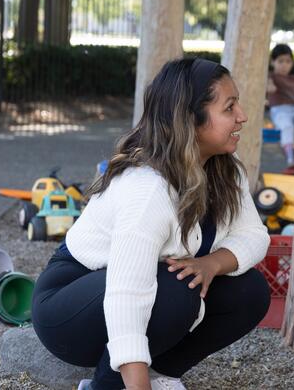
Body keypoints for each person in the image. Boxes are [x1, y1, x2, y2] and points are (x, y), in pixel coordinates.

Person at [31, 58, 271, 390]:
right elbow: (127, 295)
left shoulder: (226, 170)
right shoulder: (147, 188)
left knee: (250, 291)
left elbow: (254, 235)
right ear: (190, 119)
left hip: (150, 286)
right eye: (229, 108)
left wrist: (211, 264)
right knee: (178, 292)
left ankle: (161, 373)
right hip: (69, 303)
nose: (242, 115)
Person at [267, 44, 294, 174]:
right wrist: (269, 87)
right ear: (272, 62)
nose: (284, 65)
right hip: (280, 110)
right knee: (287, 126)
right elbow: (269, 87)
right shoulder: (271, 77)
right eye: (280, 61)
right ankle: (291, 159)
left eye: (288, 61)